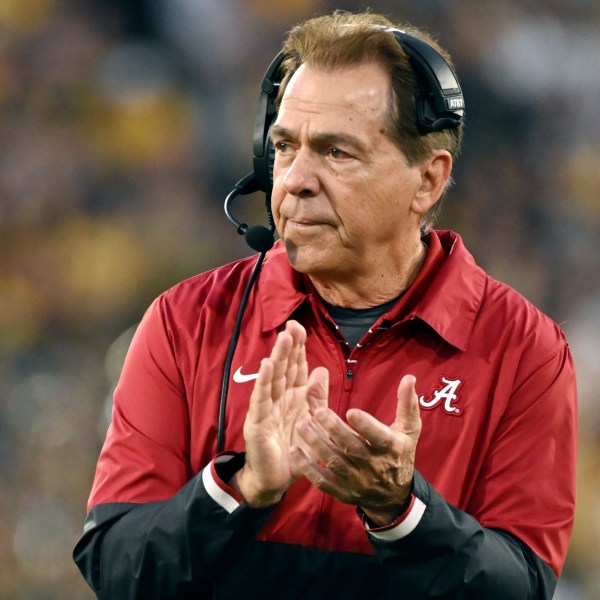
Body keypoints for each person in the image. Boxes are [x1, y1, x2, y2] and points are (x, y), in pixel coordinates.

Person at [73, 11, 577, 599]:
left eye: (337, 152)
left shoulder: (525, 350)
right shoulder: (185, 322)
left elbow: (523, 589)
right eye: (285, 147)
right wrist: (240, 489)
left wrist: (402, 512)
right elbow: (115, 566)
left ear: (428, 181)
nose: (295, 182)